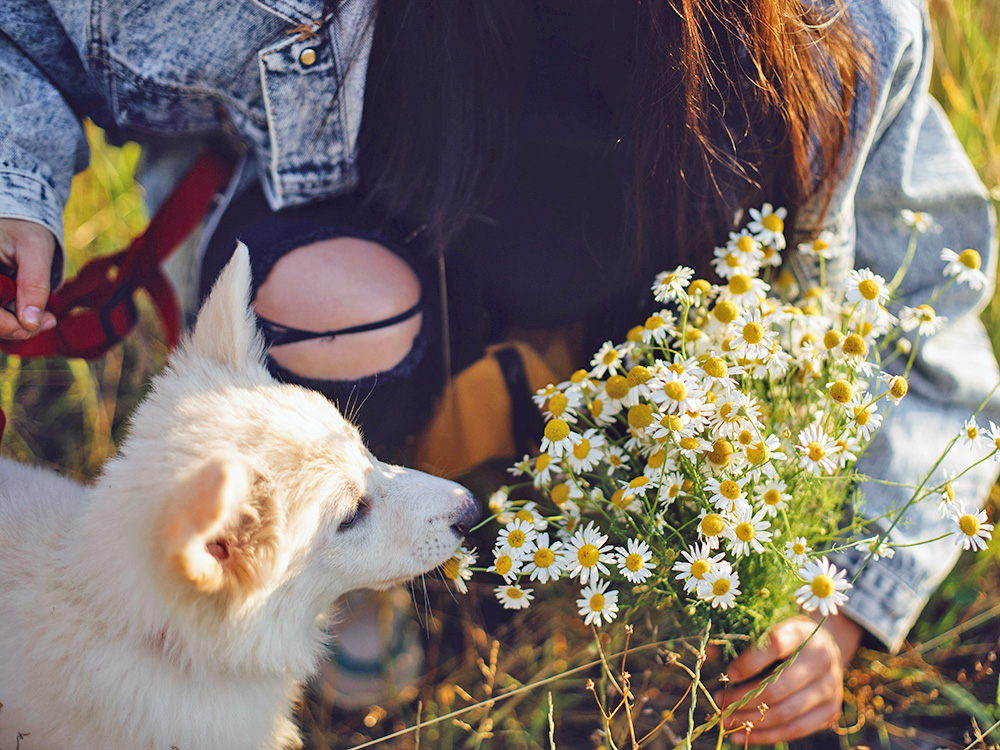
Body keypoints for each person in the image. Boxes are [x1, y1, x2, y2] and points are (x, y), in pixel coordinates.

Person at [1, 0, 997, 742]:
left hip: (649, 372)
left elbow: (931, 322)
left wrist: (845, 603)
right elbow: (26, 29)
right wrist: (19, 191)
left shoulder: (837, 24)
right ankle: (346, 575)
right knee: (328, 301)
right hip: (370, 316)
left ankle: (586, 548)